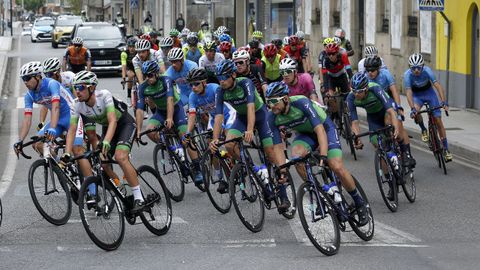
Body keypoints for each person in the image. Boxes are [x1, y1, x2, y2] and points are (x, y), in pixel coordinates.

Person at [265, 82, 369, 223]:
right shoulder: (272, 116)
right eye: (268, 102)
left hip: (325, 129)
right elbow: (277, 146)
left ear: (285, 99)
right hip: (305, 135)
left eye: (273, 102)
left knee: (335, 165)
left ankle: (359, 202)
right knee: (296, 158)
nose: (271, 106)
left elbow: (320, 130)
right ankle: (318, 194)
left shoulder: (302, 102)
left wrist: (323, 155)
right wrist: (282, 170)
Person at [65, 71, 145, 213]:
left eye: (81, 87)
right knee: (103, 162)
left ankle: (139, 197)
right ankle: (119, 186)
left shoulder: (104, 95)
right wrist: (66, 152)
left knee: (120, 157)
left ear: (91, 88)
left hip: (124, 124)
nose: (77, 91)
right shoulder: (77, 104)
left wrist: (106, 141)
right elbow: (72, 129)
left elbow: (113, 120)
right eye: (75, 88)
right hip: (109, 129)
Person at [209, 60, 276, 202]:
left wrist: (250, 130)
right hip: (242, 118)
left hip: (260, 115)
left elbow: (251, 107)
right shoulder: (220, 91)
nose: (221, 81)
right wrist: (215, 138)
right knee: (228, 144)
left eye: (224, 77)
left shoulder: (245, 82)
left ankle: (282, 192)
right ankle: (251, 168)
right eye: (218, 78)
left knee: (270, 152)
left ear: (233, 75)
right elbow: (218, 117)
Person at [135, 61, 204, 185]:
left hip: (176, 109)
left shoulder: (165, 80)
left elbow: (170, 100)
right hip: (161, 112)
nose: (147, 78)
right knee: (150, 130)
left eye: (150, 75)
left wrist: (170, 118)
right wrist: (139, 130)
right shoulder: (143, 87)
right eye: (145, 75)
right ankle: (172, 150)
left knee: (185, 137)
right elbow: (139, 110)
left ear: (156, 74)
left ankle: (197, 168)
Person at [183, 68, 237, 192]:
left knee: (229, 140)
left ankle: (238, 162)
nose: (193, 87)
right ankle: (220, 178)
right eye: (191, 84)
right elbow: (192, 115)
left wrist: (219, 134)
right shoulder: (193, 96)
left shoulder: (215, 88)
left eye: (196, 83)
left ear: (204, 83)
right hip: (214, 118)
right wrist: (187, 133)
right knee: (211, 147)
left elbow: (220, 113)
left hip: (228, 114)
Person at [14, 62, 77, 159]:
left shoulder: (51, 84)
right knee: (37, 144)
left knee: (77, 149)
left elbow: (56, 107)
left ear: (38, 76)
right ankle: (60, 168)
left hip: (72, 116)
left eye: (27, 78)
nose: (25, 82)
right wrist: (20, 140)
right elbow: (27, 120)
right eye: (23, 79)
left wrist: (52, 128)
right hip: (59, 120)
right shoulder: (29, 96)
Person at [365, 56, 415, 166]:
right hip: (378, 104)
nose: (370, 73)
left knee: (397, 126)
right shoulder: (366, 78)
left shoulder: (386, 74)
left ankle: (406, 154)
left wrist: (398, 107)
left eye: (372, 70)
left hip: (390, 100)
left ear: (378, 69)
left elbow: (395, 91)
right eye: (367, 70)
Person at [404, 53, 452, 161]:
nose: (416, 70)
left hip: (430, 94)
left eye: (418, 68)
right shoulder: (407, 75)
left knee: (438, 121)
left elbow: (437, 86)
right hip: (417, 96)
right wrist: (412, 108)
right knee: (416, 112)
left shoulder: (427, 71)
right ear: (410, 67)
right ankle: (423, 129)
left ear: (423, 66)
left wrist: (443, 101)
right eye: (413, 68)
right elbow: (408, 92)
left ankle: (446, 149)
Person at [121, 37, 138, 105]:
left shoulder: (139, 52)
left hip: (137, 67)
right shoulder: (124, 53)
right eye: (130, 47)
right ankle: (129, 96)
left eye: (133, 46)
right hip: (129, 67)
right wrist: (124, 77)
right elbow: (123, 66)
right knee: (130, 76)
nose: (131, 48)